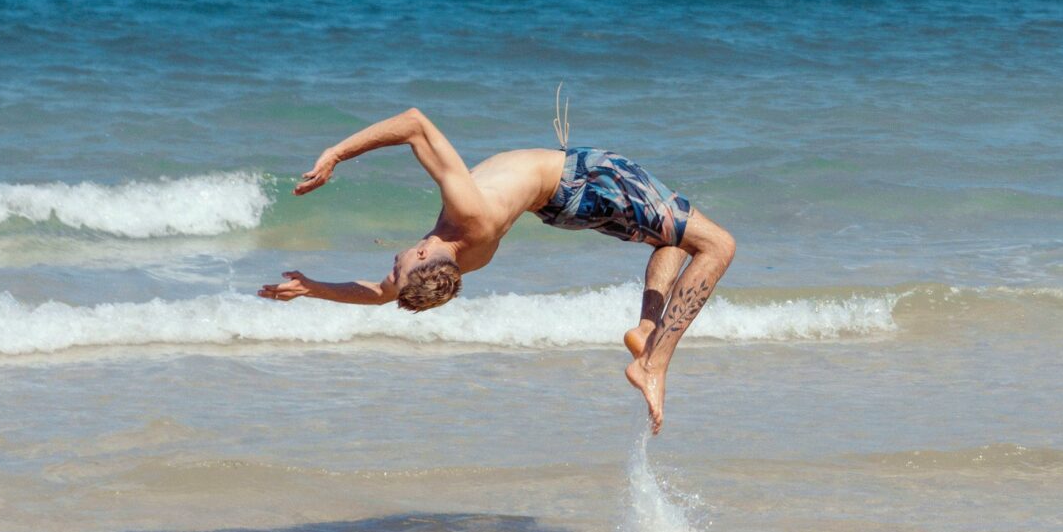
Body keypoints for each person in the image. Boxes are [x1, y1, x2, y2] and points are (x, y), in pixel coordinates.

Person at [259, 105, 735, 434]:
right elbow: (413, 123)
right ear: (425, 258)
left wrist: (313, 288)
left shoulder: (464, 262)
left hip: (560, 207)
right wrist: (335, 155)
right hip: (584, 180)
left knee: (674, 240)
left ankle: (647, 330)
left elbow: (380, 294)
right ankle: (653, 363)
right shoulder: (466, 217)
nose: (393, 263)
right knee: (718, 246)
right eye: (396, 266)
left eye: (394, 267)